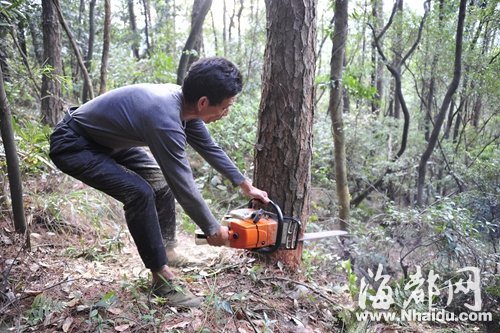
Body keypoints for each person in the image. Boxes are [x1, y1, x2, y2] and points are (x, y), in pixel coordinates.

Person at [49, 57, 269, 307]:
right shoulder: (165, 119)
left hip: (106, 141)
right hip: (73, 144)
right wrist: (211, 228)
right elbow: (183, 185)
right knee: (140, 192)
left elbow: (209, 147)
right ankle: (161, 279)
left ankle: (168, 250)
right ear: (204, 102)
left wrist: (245, 184)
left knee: (158, 180)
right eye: (225, 107)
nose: (226, 113)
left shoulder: (186, 107)